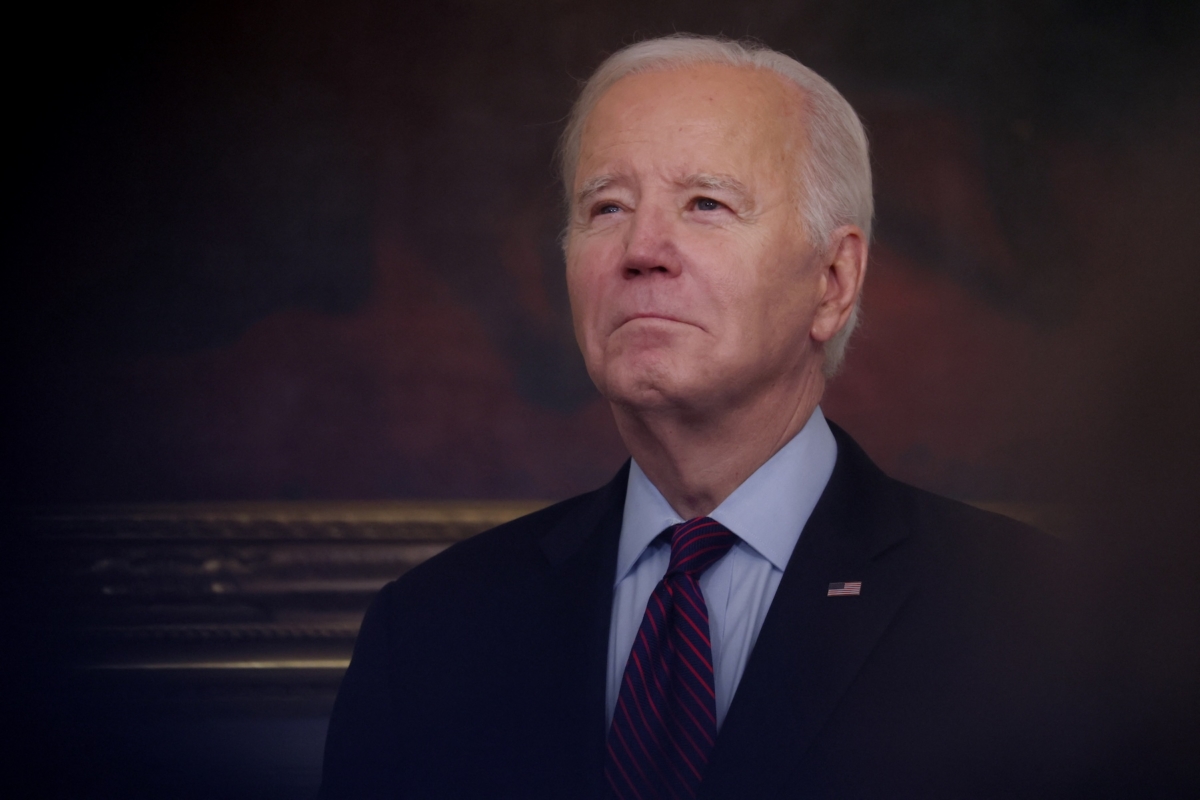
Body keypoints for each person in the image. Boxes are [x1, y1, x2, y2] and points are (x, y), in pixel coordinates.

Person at [320, 35, 1099, 799]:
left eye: (705, 203)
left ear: (832, 282)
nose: (641, 248)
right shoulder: (429, 631)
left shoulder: (1035, 619)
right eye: (606, 206)